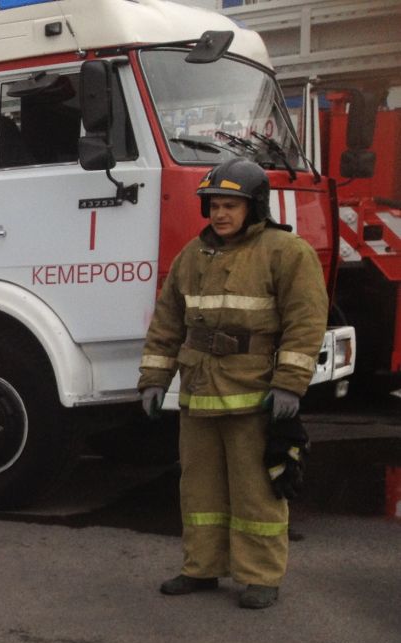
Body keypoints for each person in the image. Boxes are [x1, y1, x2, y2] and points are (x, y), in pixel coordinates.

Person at [137, 158, 328, 610]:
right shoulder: (192, 255)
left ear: (254, 206)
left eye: (231, 205)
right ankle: (201, 568)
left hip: (253, 396)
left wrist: (290, 384)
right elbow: (167, 322)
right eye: (214, 205)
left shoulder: (286, 251)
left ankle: (260, 575)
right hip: (199, 394)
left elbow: (306, 322)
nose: (220, 214)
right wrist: (154, 379)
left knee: (256, 492)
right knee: (199, 492)